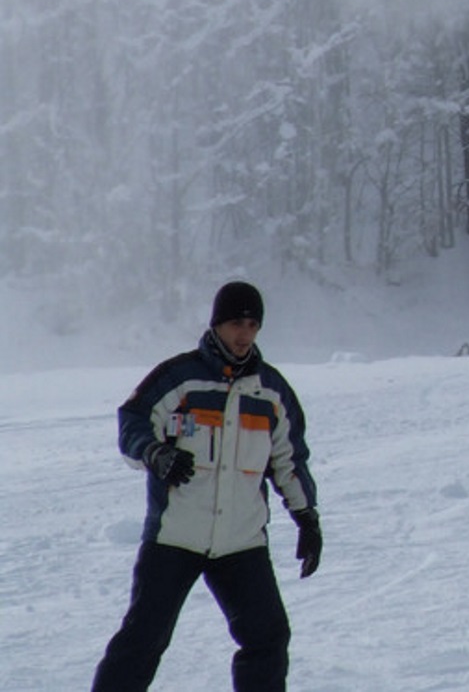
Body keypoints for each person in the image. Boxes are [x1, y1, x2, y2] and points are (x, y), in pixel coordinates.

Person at [91, 281, 321, 692]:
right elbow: (133, 423)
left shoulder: (271, 391)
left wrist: (307, 517)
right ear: (217, 324)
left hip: (241, 542)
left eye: (252, 324)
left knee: (268, 638)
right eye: (236, 323)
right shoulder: (180, 378)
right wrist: (157, 455)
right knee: (143, 640)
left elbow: (290, 459)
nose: (244, 333)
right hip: (175, 538)